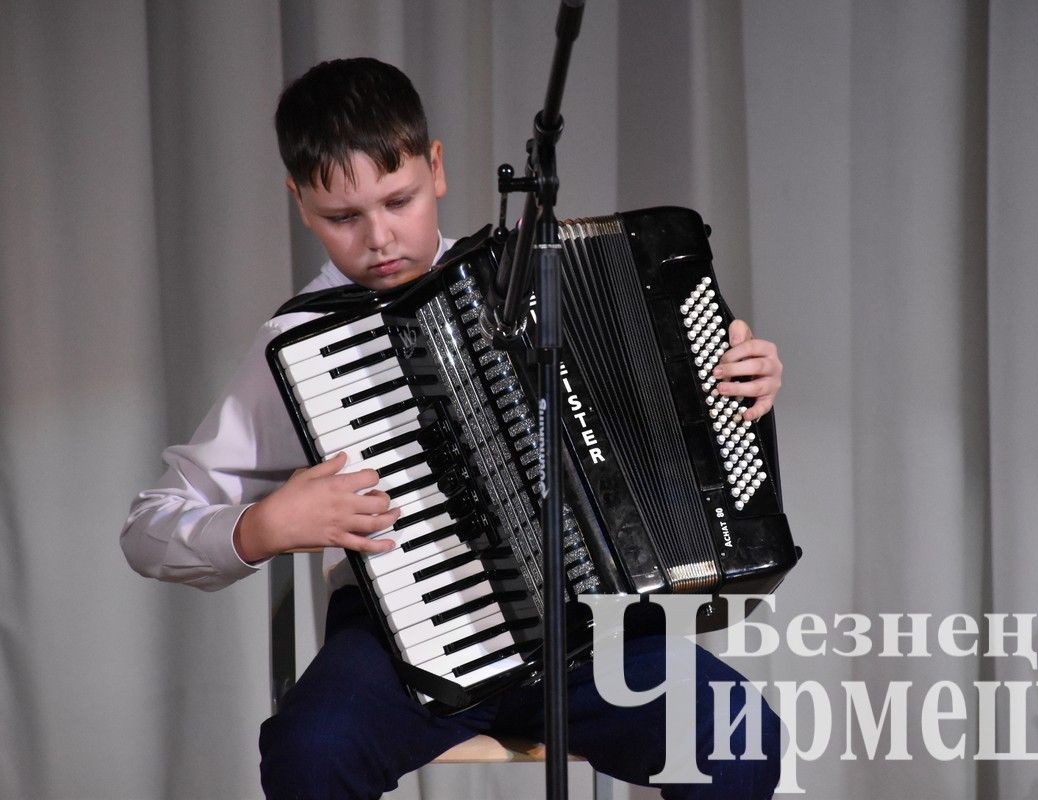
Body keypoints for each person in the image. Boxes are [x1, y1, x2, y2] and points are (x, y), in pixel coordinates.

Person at [122, 57, 785, 799]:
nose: (379, 238)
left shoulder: (535, 277)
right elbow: (150, 526)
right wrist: (262, 526)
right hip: (402, 653)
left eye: (398, 200)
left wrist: (734, 384)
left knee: (739, 733)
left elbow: (668, 425)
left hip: (591, 638)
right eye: (344, 216)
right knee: (311, 749)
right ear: (300, 203)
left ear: (434, 169)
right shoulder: (301, 344)